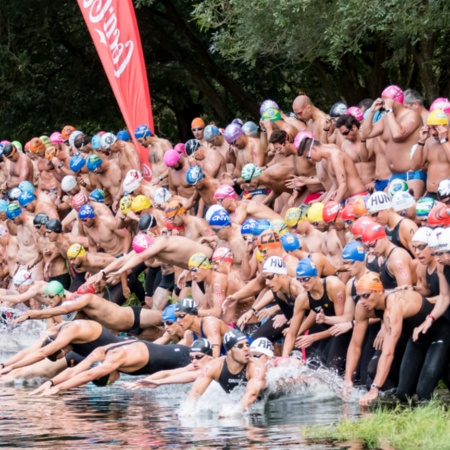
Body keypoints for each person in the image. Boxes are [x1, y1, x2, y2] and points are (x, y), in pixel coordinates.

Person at [343, 272, 450, 405]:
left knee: (423, 391)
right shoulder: (362, 307)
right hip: (417, 340)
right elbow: (355, 345)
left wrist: (374, 388)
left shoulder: (394, 305)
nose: (363, 301)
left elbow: (388, 353)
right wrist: (348, 379)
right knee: (403, 394)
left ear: (380, 291)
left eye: (366, 296)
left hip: (440, 336)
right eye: (359, 297)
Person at [32, 338, 191, 395]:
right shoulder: (101, 351)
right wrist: (51, 382)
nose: (112, 383)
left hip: (186, 361)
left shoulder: (114, 361)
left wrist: (59, 388)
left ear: (106, 373)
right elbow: (75, 370)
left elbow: (89, 375)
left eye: (108, 382)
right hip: (179, 350)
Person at [361, 86, 425, 197]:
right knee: (385, 209)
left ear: (394, 100)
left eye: (385, 100)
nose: (383, 103)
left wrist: (389, 110)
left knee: (408, 211)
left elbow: (397, 135)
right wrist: (371, 111)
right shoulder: (386, 119)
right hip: (394, 176)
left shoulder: (412, 116)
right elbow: (365, 134)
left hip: (411, 174)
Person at [186, 330, 266, 413]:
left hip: (262, 401)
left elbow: (252, 394)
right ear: (229, 351)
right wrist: (188, 413)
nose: (246, 348)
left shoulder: (256, 367)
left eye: (247, 344)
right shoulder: (214, 366)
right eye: (240, 346)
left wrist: (232, 413)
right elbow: (195, 392)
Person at [122, 338, 214, 390]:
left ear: (210, 357)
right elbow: (168, 373)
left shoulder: (214, 366)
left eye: (198, 357)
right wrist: (141, 382)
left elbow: (193, 376)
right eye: (191, 358)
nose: (194, 361)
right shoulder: (195, 366)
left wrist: (159, 382)